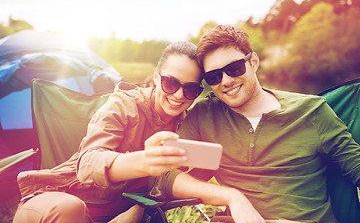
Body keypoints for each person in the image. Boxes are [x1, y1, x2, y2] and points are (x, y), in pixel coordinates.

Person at [13, 41, 265, 223]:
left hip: (115, 214)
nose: (178, 95)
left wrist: (137, 208)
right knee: (69, 208)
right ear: (156, 77)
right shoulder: (124, 105)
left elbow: (177, 181)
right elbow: (87, 163)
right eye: (170, 82)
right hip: (55, 202)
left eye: (189, 89)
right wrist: (144, 161)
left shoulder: (188, 123)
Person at [177, 25, 360, 223]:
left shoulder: (311, 112)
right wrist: (232, 197)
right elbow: (163, 174)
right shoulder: (205, 115)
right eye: (214, 77)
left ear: (253, 62)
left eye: (234, 68)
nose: (226, 81)